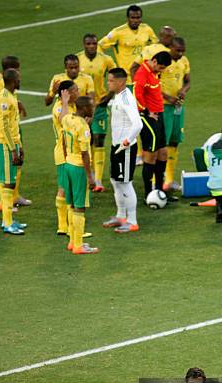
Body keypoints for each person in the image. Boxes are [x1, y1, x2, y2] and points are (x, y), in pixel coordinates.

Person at [0, 56, 31, 209]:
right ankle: (3, 202)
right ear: (9, 69)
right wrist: (3, 115)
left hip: (14, 128)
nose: (19, 72)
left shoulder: (10, 84)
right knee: (6, 166)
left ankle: (14, 196)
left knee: (16, 166)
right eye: (17, 69)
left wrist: (15, 105)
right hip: (6, 131)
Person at [99, 68, 143, 233]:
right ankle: (121, 216)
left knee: (125, 183)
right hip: (116, 146)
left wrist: (127, 141)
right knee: (115, 181)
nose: (108, 83)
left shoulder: (126, 99)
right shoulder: (118, 96)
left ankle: (132, 221)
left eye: (110, 80)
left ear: (121, 82)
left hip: (124, 148)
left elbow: (138, 124)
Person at [133, 51, 175, 203]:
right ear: (155, 61)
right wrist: (146, 112)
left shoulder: (153, 71)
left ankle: (159, 190)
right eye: (161, 67)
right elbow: (136, 95)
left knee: (163, 152)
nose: (161, 71)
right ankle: (148, 193)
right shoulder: (142, 73)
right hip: (148, 117)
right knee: (151, 154)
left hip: (159, 115)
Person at [77, 34, 116, 192]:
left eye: (94, 43)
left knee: (99, 139)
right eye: (88, 44)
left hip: (99, 106)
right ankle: (89, 175)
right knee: (87, 140)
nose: (92, 46)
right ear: (84, 44)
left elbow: (116, 78)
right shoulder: (77, 59)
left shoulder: (106, 59)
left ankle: (98, 180)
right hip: (82, 108)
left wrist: (109, 96)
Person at [62, 96, 98, 254]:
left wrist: (66, 158)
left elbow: (64, 140)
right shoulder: (83, 128)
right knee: (80, 207)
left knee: (71, 204)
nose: (93, 108)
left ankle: (72, 242)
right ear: (84, 109)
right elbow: (85, 154)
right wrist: (90, 176)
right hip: (78, 168)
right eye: (91, 106)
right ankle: (78, 245)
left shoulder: (68, 118)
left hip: (68, 164)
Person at [0, 69, 27, 235]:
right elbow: (4, 128)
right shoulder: (4, 99)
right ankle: (7, 223)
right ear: (13, 81)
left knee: (8, 181)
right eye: (19, 78)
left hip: (13, 143)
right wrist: (13, 150)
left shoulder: (12, 96)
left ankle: (8, 220)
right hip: (5, 145)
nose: (21, 81)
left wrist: (20, 146)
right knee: (8, 183)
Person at [98, 4, 157, 86]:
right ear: (128, 18)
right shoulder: (118, 32)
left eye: (138, 18)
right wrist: (104, 63)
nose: (135, 20)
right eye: (133, 18)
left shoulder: (147, 29)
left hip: (144, 75)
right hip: (126, 78)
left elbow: (156, 46)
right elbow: (100, 46)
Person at [161, 37, 191, 192]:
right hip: (163, 108)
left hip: (177, 108)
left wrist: (183, 91)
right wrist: (168, 97)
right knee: (161, 144)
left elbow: (188, 81)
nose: (180, 53)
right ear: (170, 47)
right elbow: (152, 83)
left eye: (182, 51)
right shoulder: (162, 60)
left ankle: (170, 179)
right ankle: (156, 180)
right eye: (177, 50)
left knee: (174, 142)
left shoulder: (184, 61)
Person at [52, 80, 79, 235]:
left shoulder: (71, 105)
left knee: (66, 188)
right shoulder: (59, 107)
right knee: (65, 189)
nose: (79, 92)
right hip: (63, 153)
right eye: (75, 90)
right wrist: (64, 102)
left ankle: (65, 226)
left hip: (69, 151)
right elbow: (64, 120)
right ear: (66, 93)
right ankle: (65, 226)